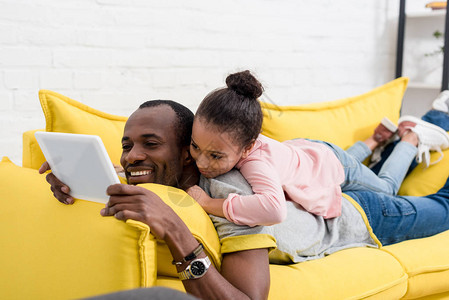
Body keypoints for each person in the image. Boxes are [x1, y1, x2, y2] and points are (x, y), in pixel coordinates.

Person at [40, 98, 449, 300]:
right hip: (311, 174)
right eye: (127, 145)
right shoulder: (173, 171)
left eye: (150, 143)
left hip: (361, 215)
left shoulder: (227, 187)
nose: (132, 156)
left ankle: (434, 120)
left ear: (189, 152)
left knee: (441, 207)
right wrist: (71, 175)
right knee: (379, 175)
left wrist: (177, 232)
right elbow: (131, 168)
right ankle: (403, 139)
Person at [186, 70, 449, 227]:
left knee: (388, 189)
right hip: (312, 156)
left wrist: (209, 203)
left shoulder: (255, 163)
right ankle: (376, 140)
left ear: (248, 148)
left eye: (216, 156)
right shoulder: (228, 138)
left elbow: (274, 210)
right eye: (195, 147)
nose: (201, 162)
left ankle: (411, 137)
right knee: (348, 165)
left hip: (330, 163)